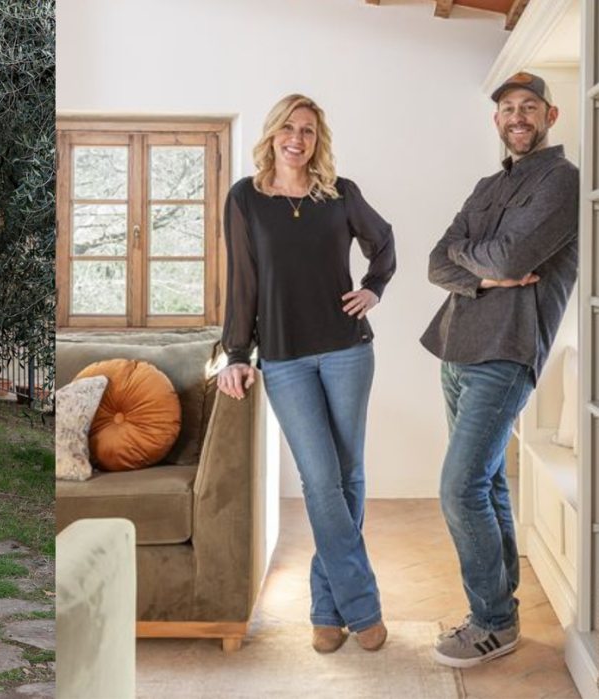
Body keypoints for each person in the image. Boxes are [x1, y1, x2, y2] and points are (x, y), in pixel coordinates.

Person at [219, 94, 396, 654]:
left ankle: (325, 609)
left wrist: (374, 287)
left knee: (348, 477)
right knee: (320, 480)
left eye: (310, 131)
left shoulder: (340, 194)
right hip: (286, 356)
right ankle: (362, 607)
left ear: (318, 141)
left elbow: (384, 242)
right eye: (289, 128)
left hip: (347, 350)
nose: (298, 139)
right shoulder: (245, 197)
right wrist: (237, 355)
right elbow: (242, 282)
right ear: (273, 134)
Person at [421, 71, 578, 668]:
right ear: (497, 120)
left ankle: (491, 621)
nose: (518, 116)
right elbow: (438, 261)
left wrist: (481, 259)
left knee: (458, 488)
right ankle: (502, 610)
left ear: (549, 116)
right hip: (457, 348)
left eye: (529, 107)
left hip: (507, 354)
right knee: (485, 483)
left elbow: (514, 253)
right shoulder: (490, 183)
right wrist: (486, 271)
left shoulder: (562, 181)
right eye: (508, 108)